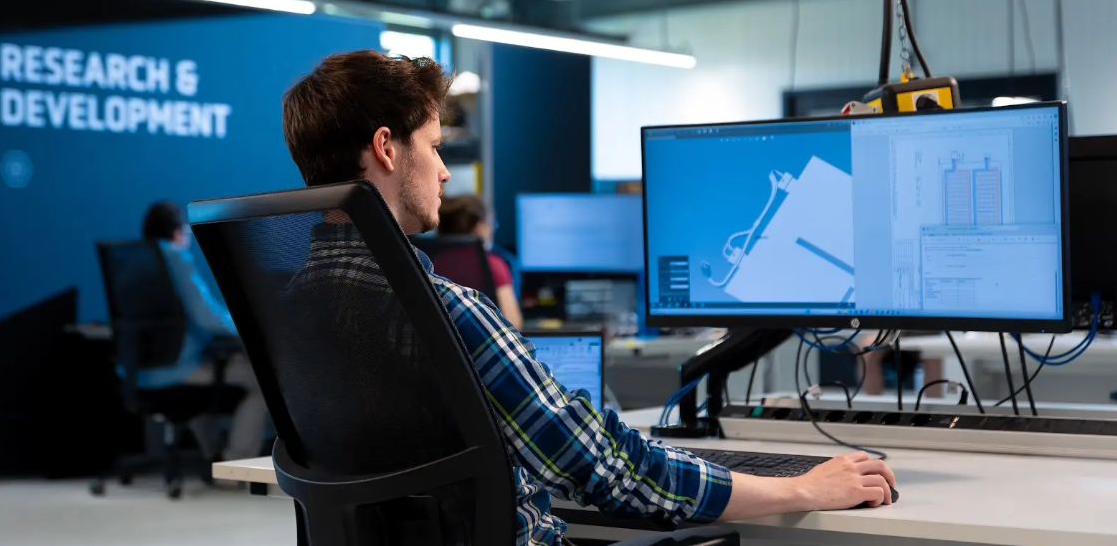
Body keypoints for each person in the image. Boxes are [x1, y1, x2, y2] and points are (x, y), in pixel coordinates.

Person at [281, 51, 896, 545]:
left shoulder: (292, 306)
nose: (444, 171)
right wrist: (802, 489)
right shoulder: (443, 313)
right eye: (436, 146)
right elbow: (608, 469)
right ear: (387, 149)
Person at [140, 202, 268, 461]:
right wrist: (249, 325)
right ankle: (234, 463)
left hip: (140, 373)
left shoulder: (138, 263)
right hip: (179, 369)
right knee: (263, 381)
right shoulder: (174, 258)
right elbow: (207, 319)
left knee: (213, 379)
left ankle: (213, 457)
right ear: (177, 233)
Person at [438, 194, 523, 330]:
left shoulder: (433, 261)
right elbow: (513, 324)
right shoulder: (493, 264)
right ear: (480, 227)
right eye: (491, 223)